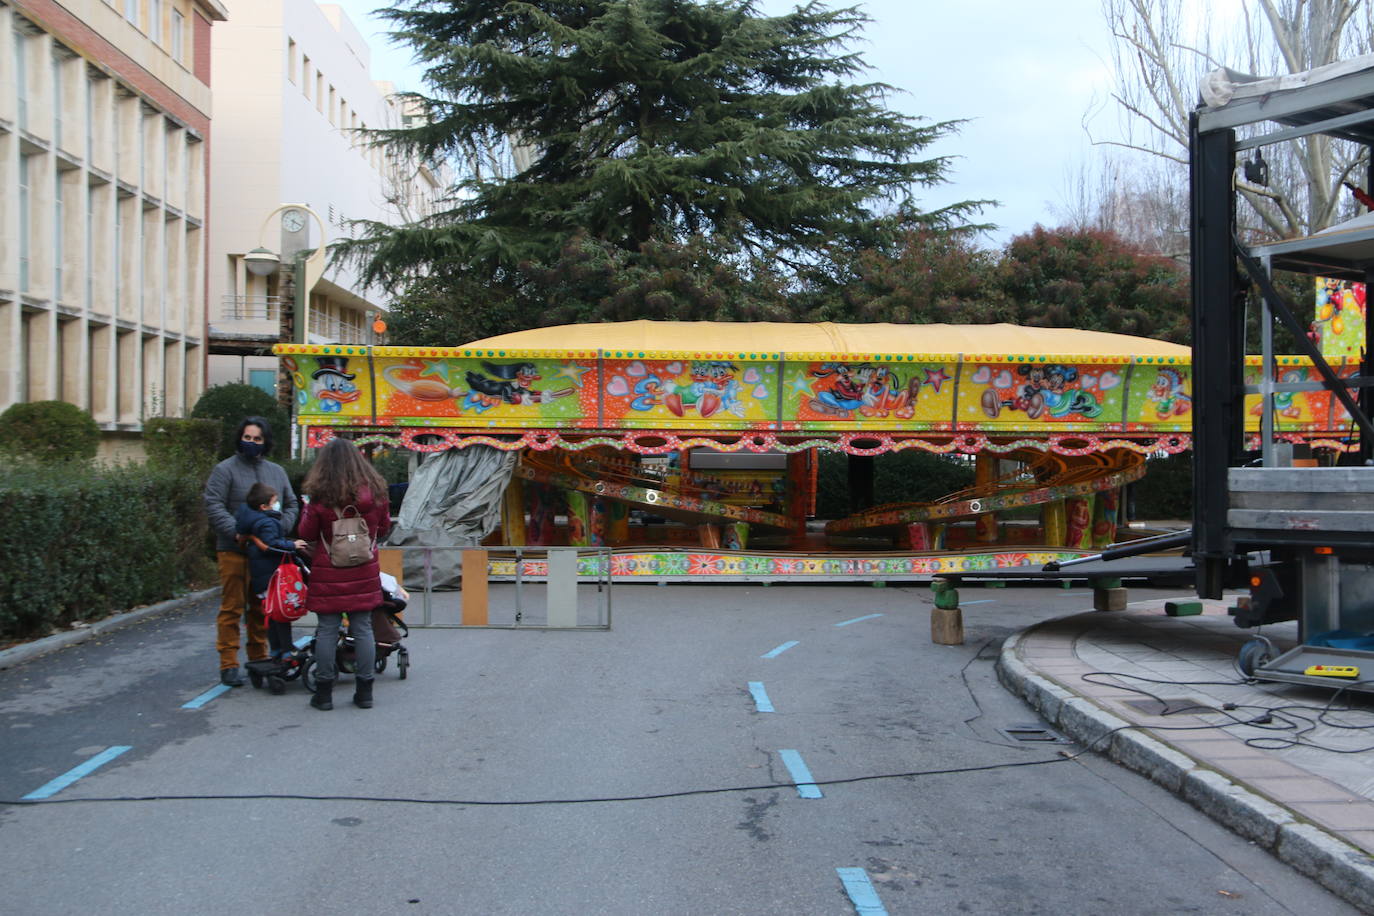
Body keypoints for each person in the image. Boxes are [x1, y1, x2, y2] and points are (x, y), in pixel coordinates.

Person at [203, 417, 300, 687]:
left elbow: (292, 503)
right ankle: (229, 663)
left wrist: (278, 526)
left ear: (265, 442)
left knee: (262, 608)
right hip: (233, 551)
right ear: (239, 439)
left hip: (267, 553)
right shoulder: (224, 470)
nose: (252, 443)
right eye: (247, 438)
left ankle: (260, 660)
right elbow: (213, 504)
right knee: (232, 608)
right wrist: (237, 532)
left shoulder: (277, 472)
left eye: (257, 439)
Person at [297, 438, 391, 710]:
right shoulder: (375, 494)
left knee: (327, 629)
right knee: (362, 628)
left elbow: (305, 534)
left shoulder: (320, 497)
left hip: (329, 572)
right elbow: (383, 529)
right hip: (364, 569)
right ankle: (365, 692)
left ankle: (324, 693)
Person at [235, 482, 308, 667]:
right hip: (272, 577)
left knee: (273, 616)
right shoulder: (266, 522)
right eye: (275, 501)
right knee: (281, 615)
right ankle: (286, 650)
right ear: (264, 506)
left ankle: (276, 649)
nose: (278, 504)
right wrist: (292, 545)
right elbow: (271, 545)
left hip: (263, 576)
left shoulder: (256, 521)